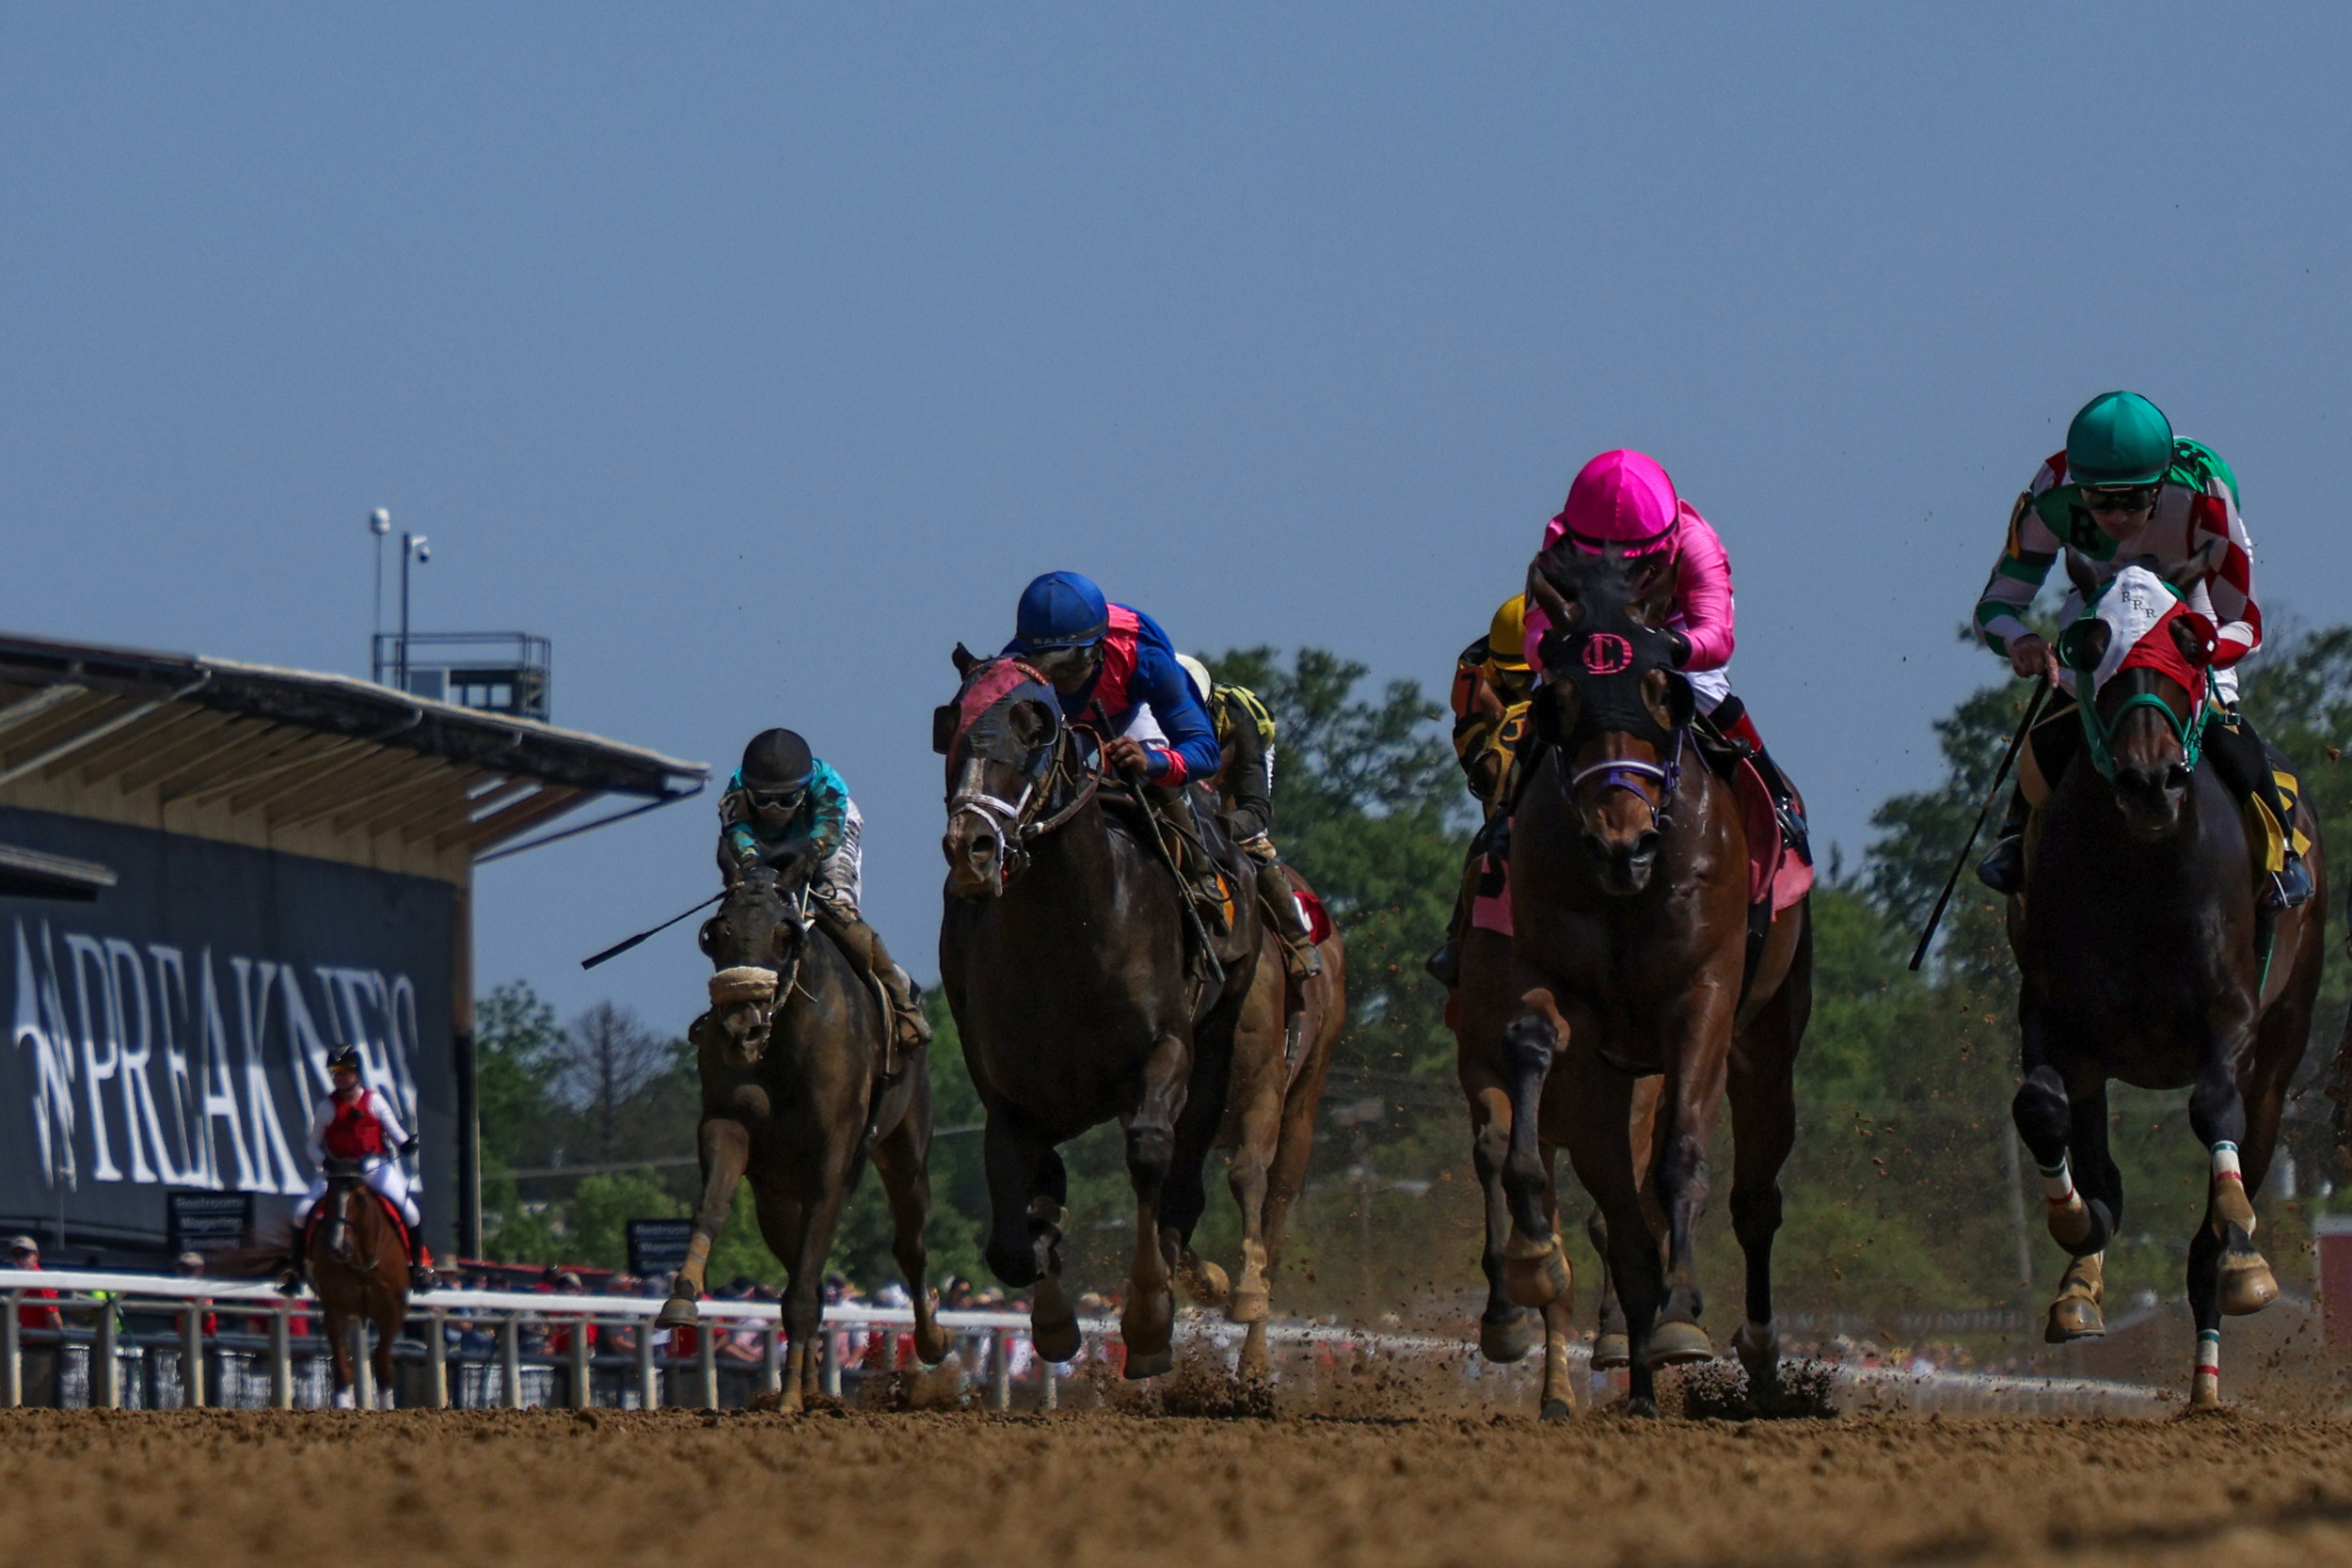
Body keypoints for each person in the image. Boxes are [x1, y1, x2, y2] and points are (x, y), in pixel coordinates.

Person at [1971, 390, 2311, 908]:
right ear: (2078, 485)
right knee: (2062, 714)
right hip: (2100, 600)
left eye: (2132, 500)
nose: (2116, 516)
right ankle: (2015, 835)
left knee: (2221, 719)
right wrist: (2023, 641)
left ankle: (2283, 850)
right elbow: (1995, 606)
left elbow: (2247, 624)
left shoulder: (2205, 494)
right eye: (2100, 500)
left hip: (2186, 599)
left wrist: (2201, 650)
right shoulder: (2050, 495)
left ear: (2160, 482)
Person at [1005, 570, 1231, 926]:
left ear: (1097, 647)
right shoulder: (1012, 664)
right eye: (1044, 662)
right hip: (1062, 724)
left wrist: (1152, 762)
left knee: (1155, 763)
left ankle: (1199, 876)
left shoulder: (1144, 654)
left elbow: (1204, 751)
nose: (1060, 677)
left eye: (1070, 661)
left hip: (1128, 715)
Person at [716, 727, 931, 1066]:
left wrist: (807, 860)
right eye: (764, 799)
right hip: (763, 842)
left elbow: (825, 838)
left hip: (825, 836)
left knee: (837, 909)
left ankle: (901, 1000)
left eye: (786, 799)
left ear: (803, 790)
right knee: (747, 914)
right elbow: (738, 835)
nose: (774, 808)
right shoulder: (736, 790)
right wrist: (753, 870)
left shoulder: (829, 788)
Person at [1173, 653, 1324, 980]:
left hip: (1242, 752)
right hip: (1186, 764)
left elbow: (1255, 809)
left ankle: (1298, 940)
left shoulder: (1238, 722)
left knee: (1251, 841)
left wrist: (1221, 827)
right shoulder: (1146, 711)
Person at [288, 1046, 433, 1291]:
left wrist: (406, 1144)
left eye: (345, 1072)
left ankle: (417, 1266)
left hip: (373, 1168)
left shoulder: (374, 1101)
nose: (340, 1077)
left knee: (410, 1212)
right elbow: (312, 1146)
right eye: (336, 1073)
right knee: (300, 1213)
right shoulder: (327, 1107)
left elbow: (395, 1133)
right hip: (338, 1170)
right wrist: (325, 1162)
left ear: (357, 1073)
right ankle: (296, 1272)